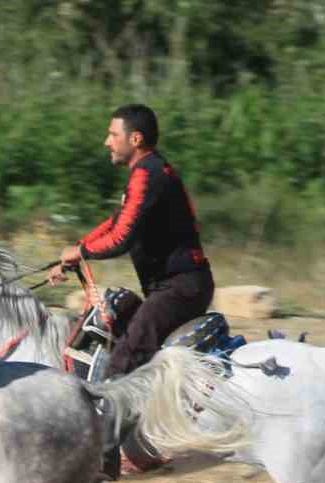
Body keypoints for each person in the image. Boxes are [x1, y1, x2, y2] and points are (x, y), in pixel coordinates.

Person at [48, 103, 214, 378]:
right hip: (173, 288)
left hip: (180, 288)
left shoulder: (148, 175)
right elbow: (115, 224)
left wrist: (80, 251)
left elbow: (121, 238)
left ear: (135, 139)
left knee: (121, 362)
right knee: (115, 322)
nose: (107, 142)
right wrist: (72, 255)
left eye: (113, 135)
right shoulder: (148, 173)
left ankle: (111, 415)